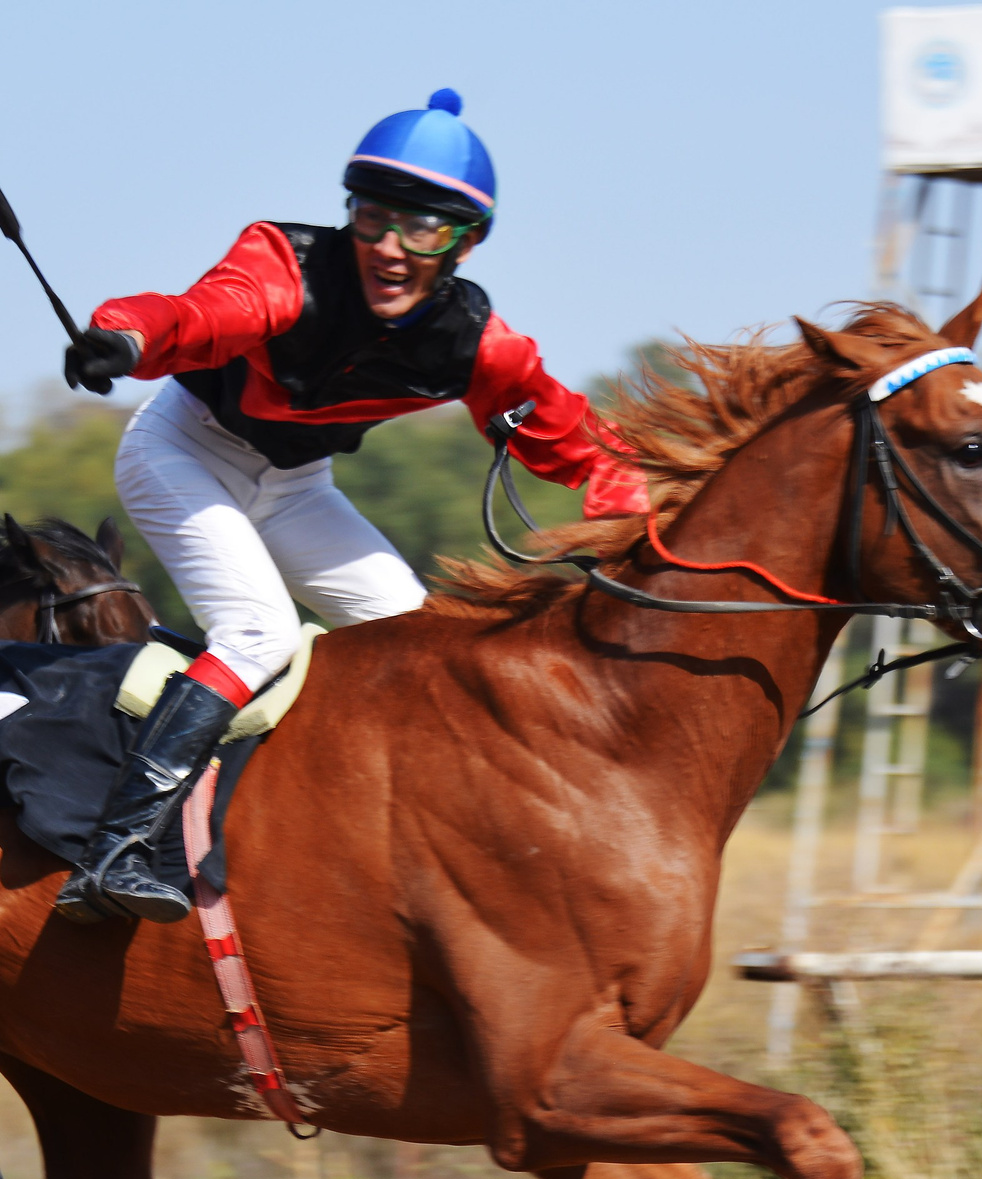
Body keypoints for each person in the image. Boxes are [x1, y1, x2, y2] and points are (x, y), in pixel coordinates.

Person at [53, 88, 649, 925]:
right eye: (372, 219)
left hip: (296, 487)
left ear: (466, 244)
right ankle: (116, 847)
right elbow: (202, 315)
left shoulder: (477, 343)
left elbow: (563, 429)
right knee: (256, 631)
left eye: (423, 229)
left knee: (426, 638)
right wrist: (126, 337)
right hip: (183, 453)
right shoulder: (283, 267)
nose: (390, 249)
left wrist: (649, 505)